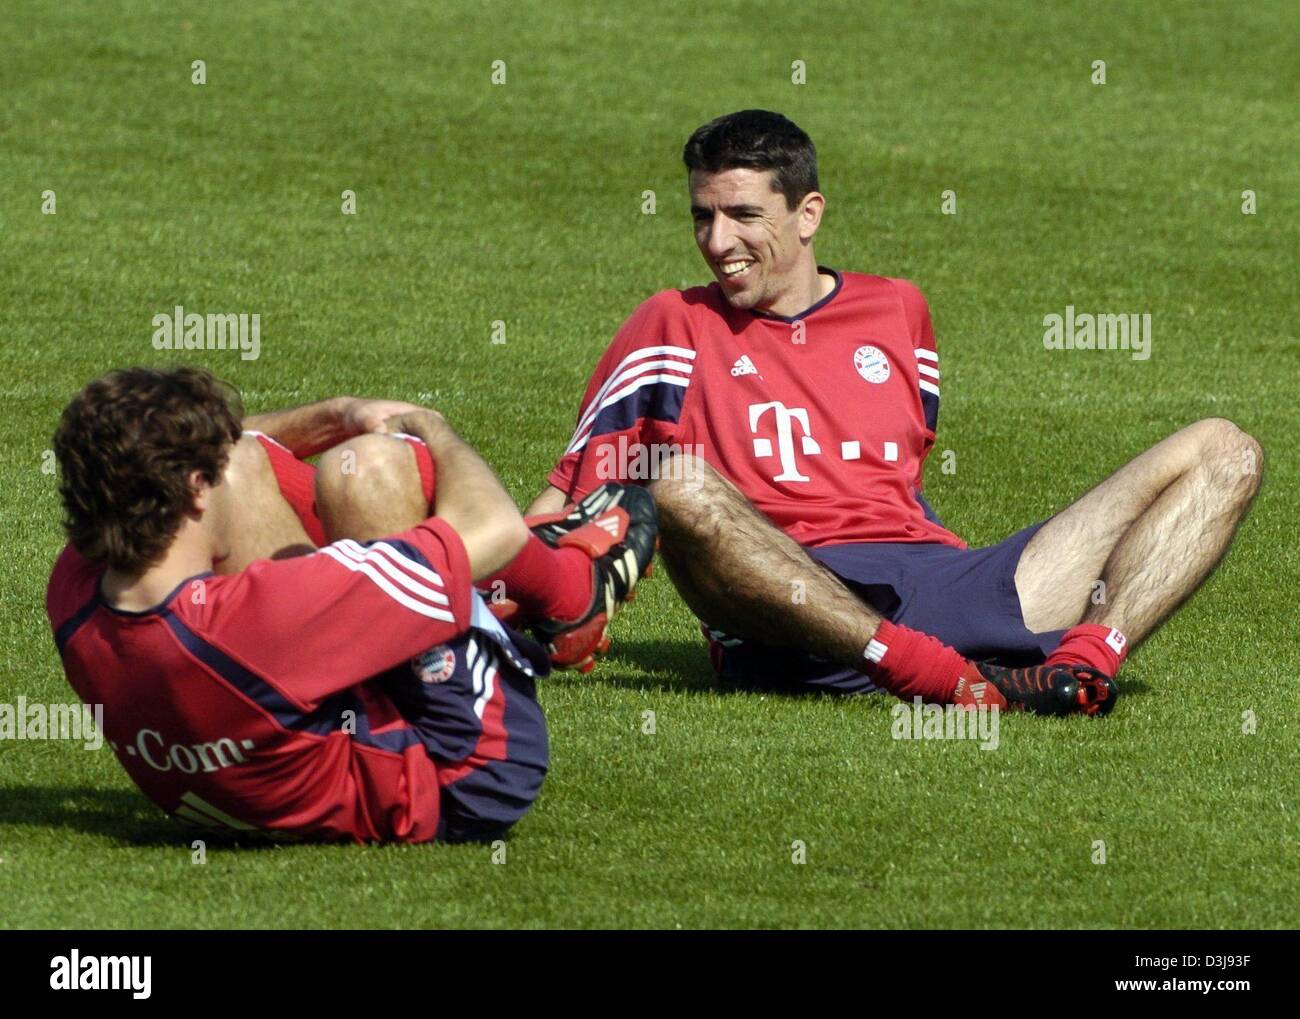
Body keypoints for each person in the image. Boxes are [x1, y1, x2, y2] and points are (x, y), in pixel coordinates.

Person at [527, 109, 1262, 716]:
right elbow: (572, 489)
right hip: (792, 609)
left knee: (1224, 450)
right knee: (674, 477)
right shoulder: (671, 321)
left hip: (940, 581)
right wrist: (493, 595)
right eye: (702, 216)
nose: (718, 243)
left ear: (808, 212)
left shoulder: (898, 309)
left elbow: (899, 476)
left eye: (743, 215)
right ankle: (930, 674)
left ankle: (1080, 668)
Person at [45, 367, 655, 843]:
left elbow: (224, 453)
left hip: (250, 778)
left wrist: (340, 414)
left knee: (274, 464)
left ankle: (503, 593)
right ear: (194, 489)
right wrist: (434, 430)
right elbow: (493, 528)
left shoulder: (74, 592)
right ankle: (570, 594)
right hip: (466, 770)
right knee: (373, 472)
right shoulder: (262, 619)